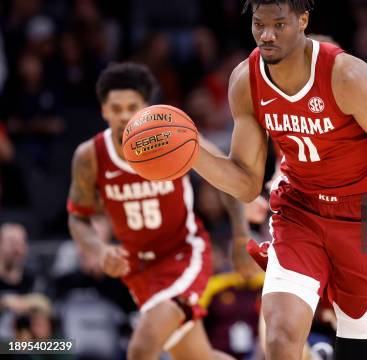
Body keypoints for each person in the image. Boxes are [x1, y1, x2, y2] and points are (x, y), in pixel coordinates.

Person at [184, 0, 367, 360]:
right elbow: (245, 183)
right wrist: (193, 154)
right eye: (260, 24)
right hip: (299, 209)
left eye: (280, 24)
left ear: (303, 21)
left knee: (358, 350)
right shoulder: (246, 81)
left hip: (363, 212)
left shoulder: (347, 75)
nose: (268, 35)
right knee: (278, 339)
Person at [66, 62, 246, 360]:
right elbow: (78, 216)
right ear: (103, 110)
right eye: (116, 107)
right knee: (198, 356)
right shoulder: (90, 156)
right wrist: (98, 249)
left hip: (184, 254)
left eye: (132, 106)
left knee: (140, 350)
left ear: (145, 106)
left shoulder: (172, 137)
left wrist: (240, 238)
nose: (124, 115)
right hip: (138, 268)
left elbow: (227, 179)